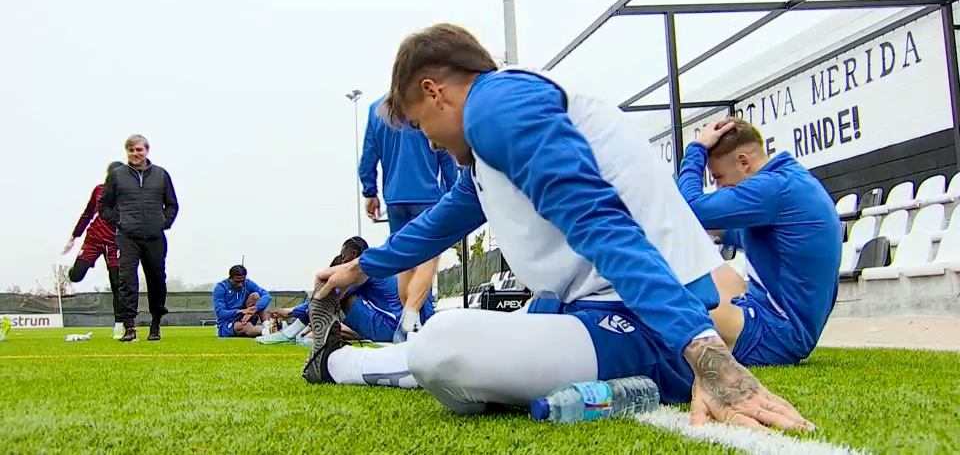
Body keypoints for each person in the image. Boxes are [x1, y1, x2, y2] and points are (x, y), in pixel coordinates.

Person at [304, 23, 814, 432]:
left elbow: (600, 222)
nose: (431, 143)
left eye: (421, 126)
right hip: (602, 311)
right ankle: (337, 363)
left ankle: (338, 365)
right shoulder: (487, 140)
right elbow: (436, 227)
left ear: (434, 91)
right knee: (470, 342)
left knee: (445, 346)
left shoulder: (496, 107)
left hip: (641, 320)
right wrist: (359, 268)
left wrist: (706, 355)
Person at [675, 118, 842, 365]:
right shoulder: (789, 181)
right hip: (779, 322)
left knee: (665, 290)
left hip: (777, 335)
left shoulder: (773, 187)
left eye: (719, 177)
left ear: (743, 161)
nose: (720, 187)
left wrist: (696, 149)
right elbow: (736, 233)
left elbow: (688, 208)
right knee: (694, 260)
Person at [359, 94, 458, 341]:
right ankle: (411, 320)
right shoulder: (425, 103)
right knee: (428, 260)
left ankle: (410, 325)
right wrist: (454, 190)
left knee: (404, 263)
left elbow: (368, 155)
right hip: (426, 194)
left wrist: (370, 191)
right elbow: (444, 152)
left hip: (394, 198)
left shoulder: (376, 110)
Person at [259, 237, 434, 345]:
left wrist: (291, 311)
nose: (343, 261)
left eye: (344, 256)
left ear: (355, 253)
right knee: (339, 294)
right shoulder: (380, 264)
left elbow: (328, 296)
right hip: (401, 327)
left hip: (388, 327)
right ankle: (304, 333)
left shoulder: (364, 269)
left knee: (338, 296)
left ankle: (290, 334)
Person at [99, 134, 179, 342]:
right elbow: (103, 205)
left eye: (139, 150)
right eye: (131, 150)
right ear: (127, 152)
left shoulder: (161, 175)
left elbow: (172, 205)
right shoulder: (117, 175)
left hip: (154, 237)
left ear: (146, 151)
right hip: (127, 237)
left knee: (157, 280)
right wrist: (120, 221)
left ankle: (155, 325)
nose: (135, 154)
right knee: (126, 280)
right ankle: (129, 327)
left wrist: (163, 223)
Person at [63, 161, 126, 339]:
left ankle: (119, 325)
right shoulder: (99, 191)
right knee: (76, 276)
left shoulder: (127, 195)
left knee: (117, 284)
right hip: (94, 239)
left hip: (115, 243)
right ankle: (74, 270)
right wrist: (74, 237)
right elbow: (87, 213)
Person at [212, 265, 273, 338]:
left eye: (242, 281)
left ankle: (267, 325)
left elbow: (267, 296)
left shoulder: (248, 283)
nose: (240, 284)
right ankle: (269, 331)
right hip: (229, 321)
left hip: (247, 315)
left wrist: (254, 309)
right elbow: (220, 313)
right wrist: (241, 311)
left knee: (255, 296)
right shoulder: (221, 288)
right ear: (230, 278)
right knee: (245, 327)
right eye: (237, 281)